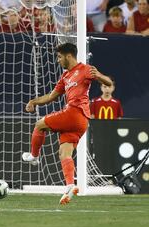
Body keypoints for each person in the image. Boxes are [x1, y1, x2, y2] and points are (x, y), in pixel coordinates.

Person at [22, 43, 113, 205]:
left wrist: (99, 75)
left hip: (75, 112)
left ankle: (34, 157)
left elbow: (108, 82)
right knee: (64, 153)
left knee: (39, 125)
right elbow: (51, 96)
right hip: (80, 123)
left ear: (68, 56)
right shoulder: (65, 77)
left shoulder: (85, 69)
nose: (58, 60)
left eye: (59, 57)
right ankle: (70, 185)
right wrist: (34, 102)